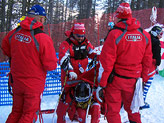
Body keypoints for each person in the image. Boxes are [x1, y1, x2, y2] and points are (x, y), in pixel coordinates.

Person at [96, 2, 152, 123]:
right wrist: (144, 78)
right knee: (134, 110)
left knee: (113, 111)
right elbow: (148, 60)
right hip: (135, 80)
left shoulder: (114, 34)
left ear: (118, 16)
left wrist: (103, 82)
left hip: (115, 80)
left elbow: (106, 61)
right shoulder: (144, 35)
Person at [1, 4, 58, 123]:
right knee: (29, 114)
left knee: (16, 112)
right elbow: (51, 65)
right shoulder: (43, 38)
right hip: (33, 84)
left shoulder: (14, 33)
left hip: (17, 81)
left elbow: (5, 47)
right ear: (41, 18)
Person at [56, 23, 101, 123]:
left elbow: (92, 53)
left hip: (82, 77)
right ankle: (61, 118)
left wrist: (102, 57)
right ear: (73, 34)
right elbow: (63, 58)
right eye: (78, 36)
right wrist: (70, 70)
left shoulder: (86, 43)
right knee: (65, 99)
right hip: (69, 78)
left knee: (84, 96)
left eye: (82, 36)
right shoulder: (66, 44)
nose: (80, 38)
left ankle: (82, 113)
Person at [140, 26, 162, 109]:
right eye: (160, 33)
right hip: (150, 65)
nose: (161, 36)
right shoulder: (156, 42)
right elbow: (157, 55)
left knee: (140, 83)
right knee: (146, 85)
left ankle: (138, 100)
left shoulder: (145, 37)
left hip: (141, 63)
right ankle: (141, 102)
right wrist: (158, 63)